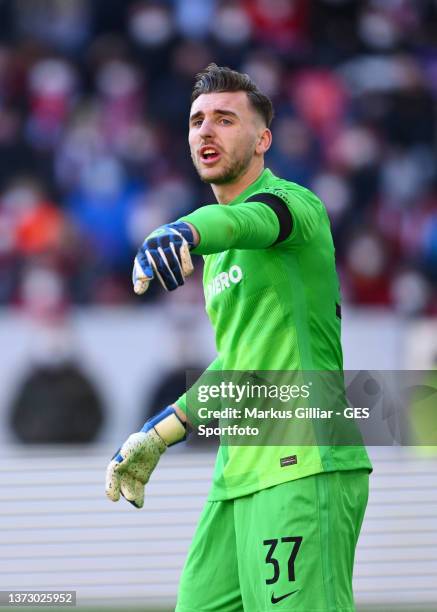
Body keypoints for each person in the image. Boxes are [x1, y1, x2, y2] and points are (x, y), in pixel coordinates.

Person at [106, 64, 372, 611]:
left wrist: (188, 229)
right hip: (239, 471)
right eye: (197, 120)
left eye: (226, 120)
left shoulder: (297, 206)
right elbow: (241, 365)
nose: (206, 131)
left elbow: (250, 221)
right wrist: (161, 433)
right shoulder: (218, 256)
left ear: (262, 139)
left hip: (303, 460)